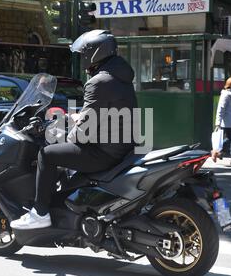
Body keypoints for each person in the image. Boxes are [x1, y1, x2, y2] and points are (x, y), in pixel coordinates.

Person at [10, 30, 138, 230]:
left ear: (93, 54)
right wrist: (76, 117)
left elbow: (83, 132)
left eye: (83, 54)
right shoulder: (120, 77)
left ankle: (41, 213)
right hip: (122, 148)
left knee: (47, 154)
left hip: (105, 152)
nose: (82, 59)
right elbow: (105, 112)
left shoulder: (98, 82)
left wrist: (66, 137)